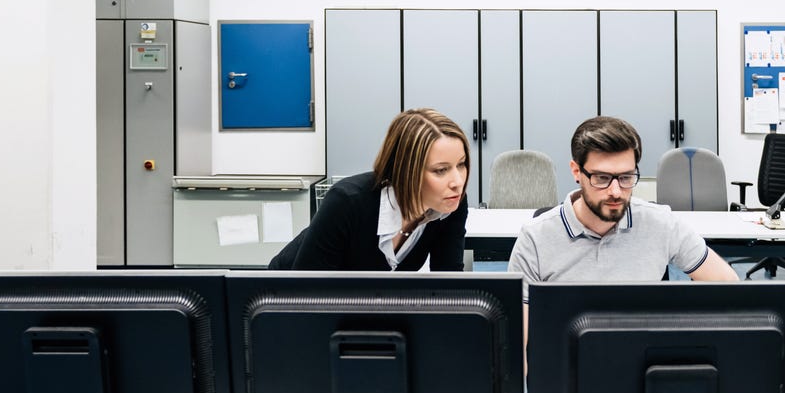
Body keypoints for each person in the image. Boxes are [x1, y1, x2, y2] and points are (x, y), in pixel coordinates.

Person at [509, 114, 738, 295]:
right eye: (602, 178)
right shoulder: (535, 239)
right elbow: (520, 340)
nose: (616, 192)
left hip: (642, 353)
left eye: (626, 177)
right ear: (577, 171)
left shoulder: (660, 223)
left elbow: (730, 286)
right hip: (567, 355)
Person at [269, 108, 470, 271]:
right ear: (406, 170)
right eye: (441, 170)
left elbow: (449, 282)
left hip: (361, 309)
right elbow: (308, 295)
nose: (457, 181)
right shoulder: (346, 201)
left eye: (461, 164)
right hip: (284, 302)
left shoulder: (450, 204)